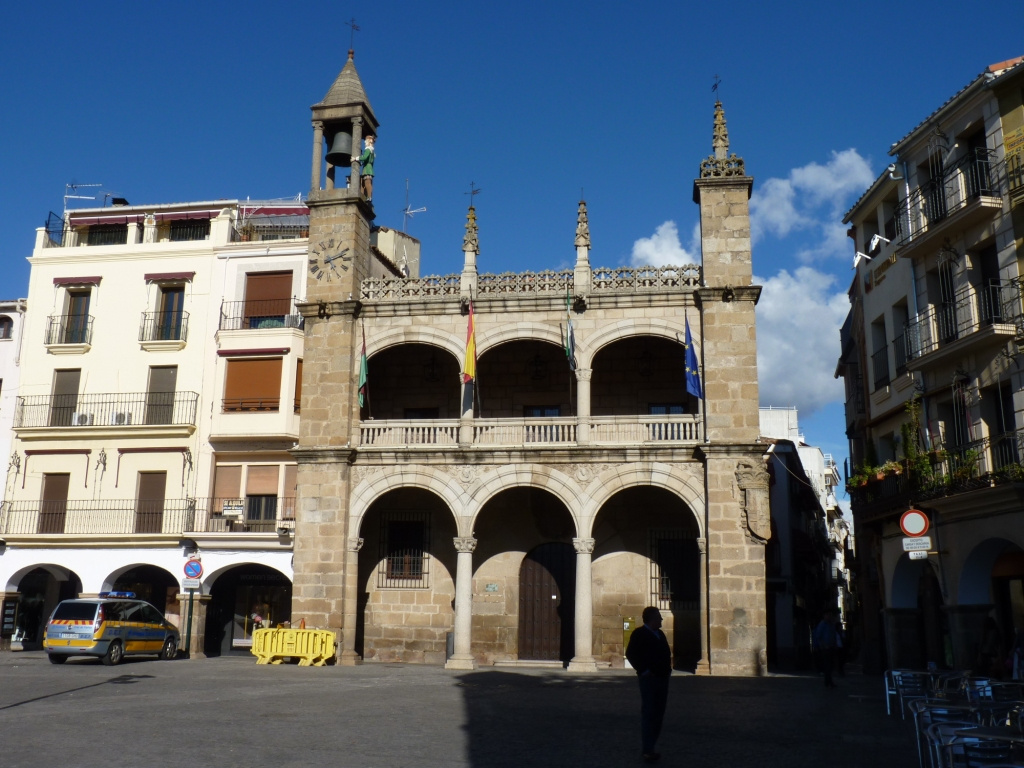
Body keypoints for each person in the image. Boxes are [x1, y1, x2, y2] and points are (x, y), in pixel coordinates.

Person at [625, 606, 672, 762]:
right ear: (652, 619)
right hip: (649, 680)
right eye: (659, 617)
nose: (661, 619)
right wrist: (644, 671)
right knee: (649, 713)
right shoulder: (639, 634)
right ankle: (648, 749)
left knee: (659, 714)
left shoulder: (660, 634)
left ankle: (650, 746)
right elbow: (631, 654)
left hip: (662, 678)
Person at [812, 609, 839, 688]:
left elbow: (833, 635)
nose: (829, 616)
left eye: (830, 615)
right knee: (827, 665)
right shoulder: (822, 624)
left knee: (830, 665)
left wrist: (835, 644)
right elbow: (818, 636)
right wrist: (822, 645)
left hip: (831, 647)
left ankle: (828, 681)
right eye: (827, 615)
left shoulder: (831, 624)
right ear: (824, 616)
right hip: (825, 648)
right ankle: (828, 682)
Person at [358, 135, 375, 201]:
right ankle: (367, 196)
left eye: (366, 141)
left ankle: (369, 196)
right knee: (365, 182)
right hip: (368, 167)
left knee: (367, 182)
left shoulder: (368, 149)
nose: (365, 142)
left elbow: (364, 157)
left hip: (367, 168)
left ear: (369, 141)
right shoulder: (372, 151)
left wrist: (357, 158)